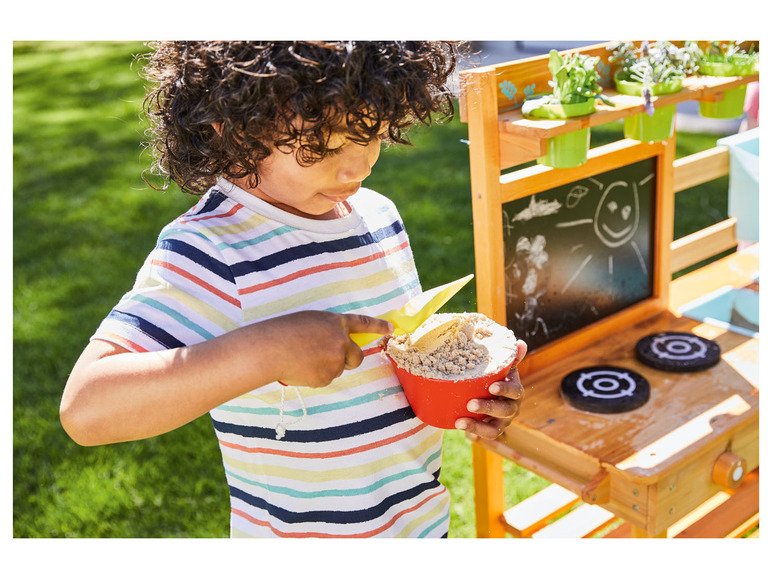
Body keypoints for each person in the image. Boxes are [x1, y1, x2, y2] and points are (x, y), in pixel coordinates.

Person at [60, 41, 527, 538]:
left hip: (419, 528)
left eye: (368, 132)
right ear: (232, 123)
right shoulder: (210, 248)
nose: (356, 167)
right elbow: (87, 409)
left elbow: (388, 371)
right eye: (322, 145)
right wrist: (264, 352)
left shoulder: (378, 215)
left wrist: (465, 393)